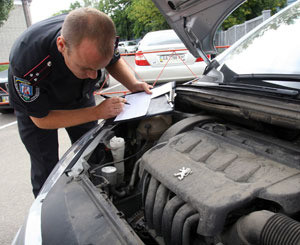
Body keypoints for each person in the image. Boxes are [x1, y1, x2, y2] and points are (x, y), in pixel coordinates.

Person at [8, 7, 152, 198]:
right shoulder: (28, 62)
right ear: (62, 45)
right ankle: (47, 210)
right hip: (37, 107)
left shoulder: (98, 34)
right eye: (86, 68)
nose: (94, 76)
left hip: (77, 95)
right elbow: (42, 120)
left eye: (98, 68)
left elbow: (113, 61)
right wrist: (97, 112)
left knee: (93, 152)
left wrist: (133, 84)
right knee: (45, 166)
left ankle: (97, 197)